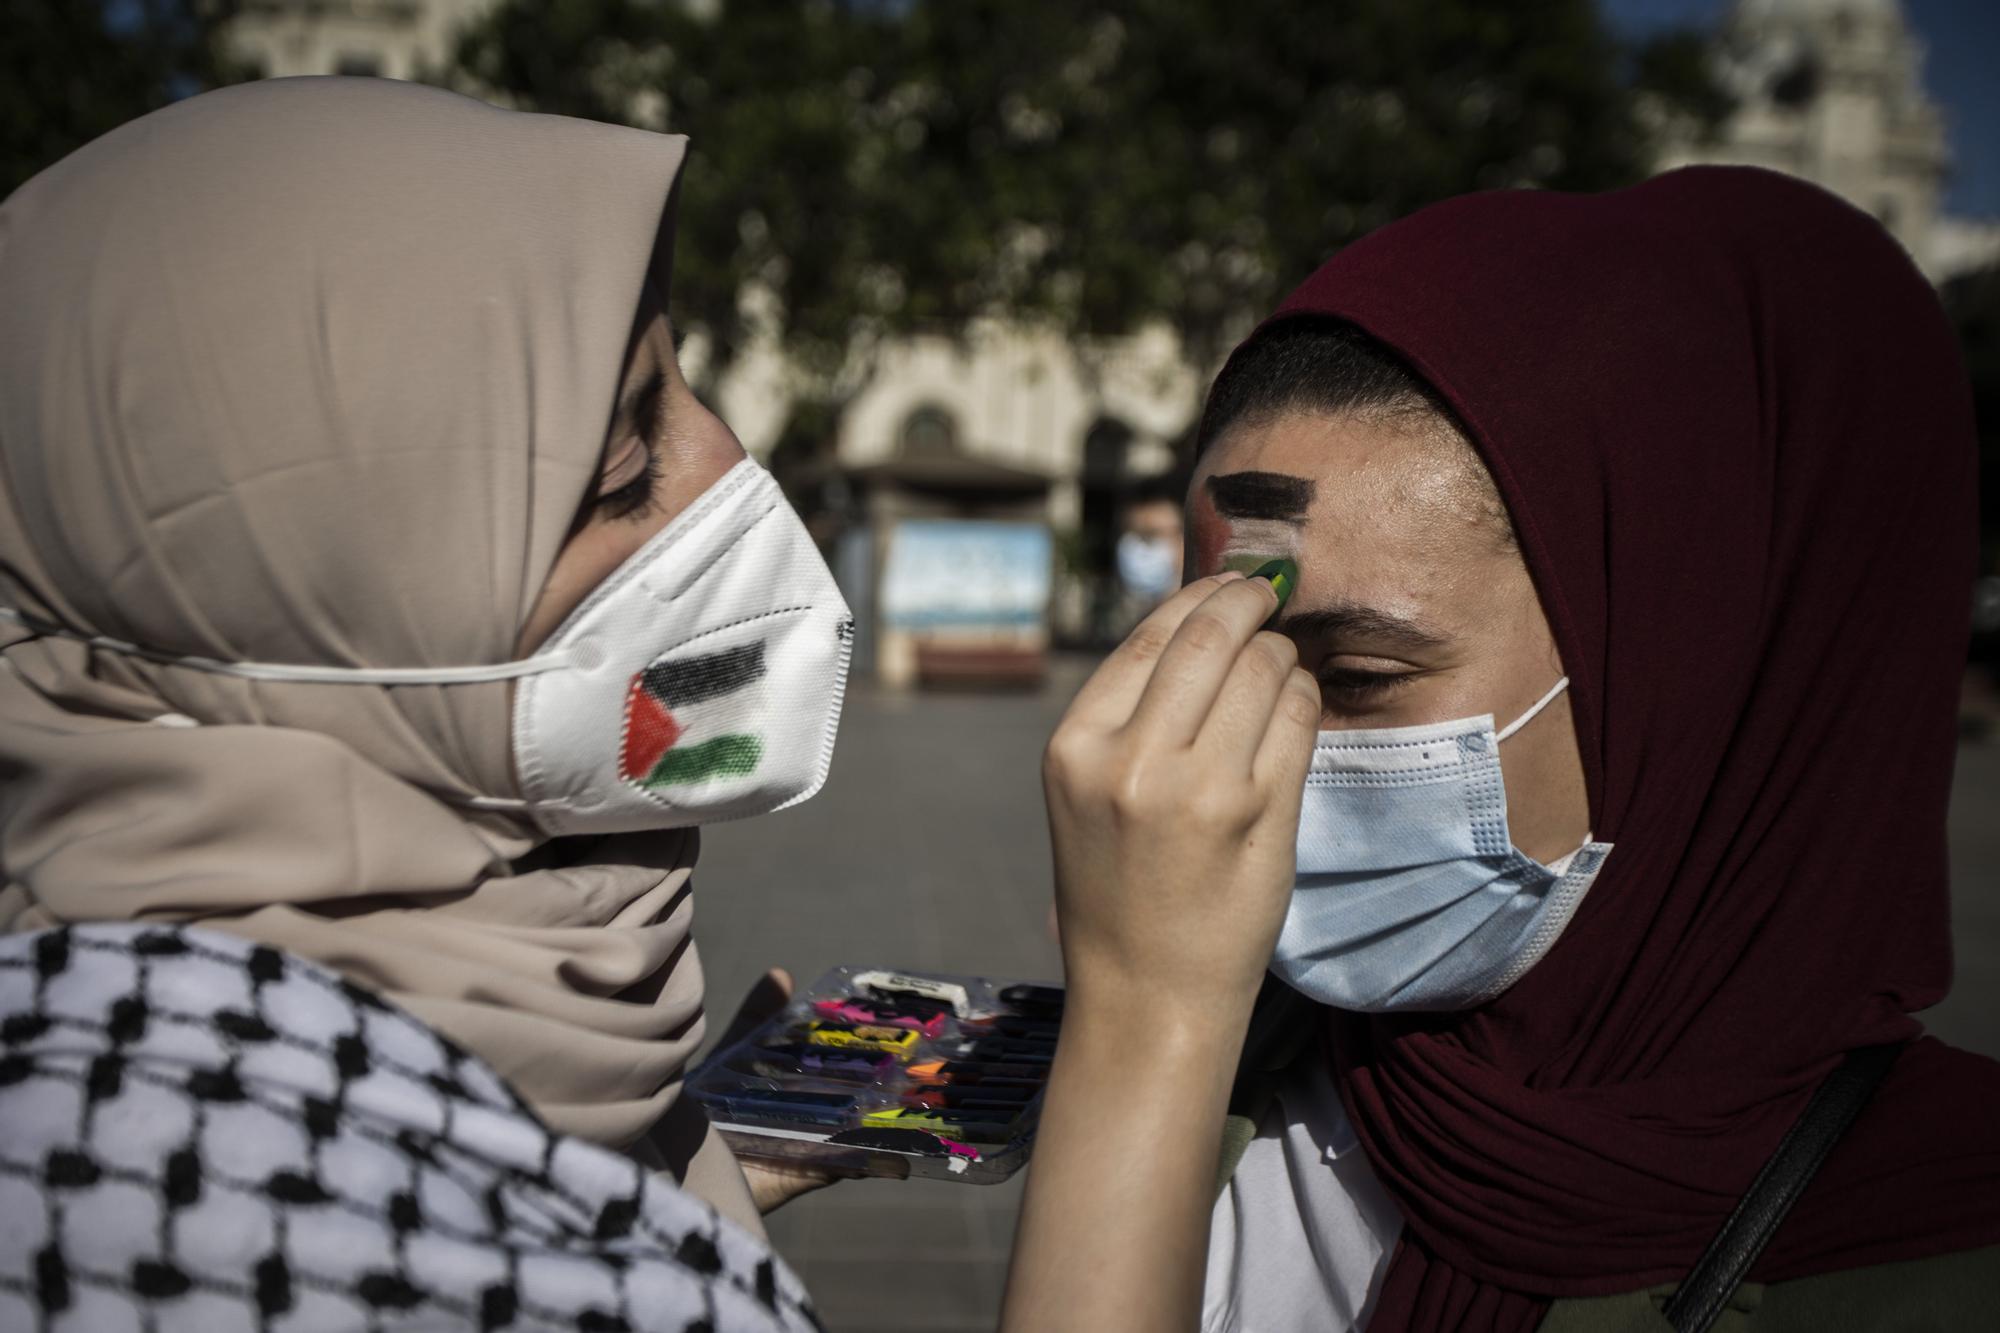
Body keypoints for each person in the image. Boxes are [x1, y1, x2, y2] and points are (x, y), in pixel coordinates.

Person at [1005, 166, 2000, 1330]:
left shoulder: (1941, 1249)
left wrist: (1142, 1028)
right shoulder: (1242, 1071)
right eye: (1219, 656)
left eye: (1358, 676)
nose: (1249, 750)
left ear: (1673, 678)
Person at [0, 75, 849, 1325]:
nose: (725, 466)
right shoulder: (242, 1228)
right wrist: (1145, 1027)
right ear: (293, 587)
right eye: (618, 460)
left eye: (682, 384)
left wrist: (662, 1182)